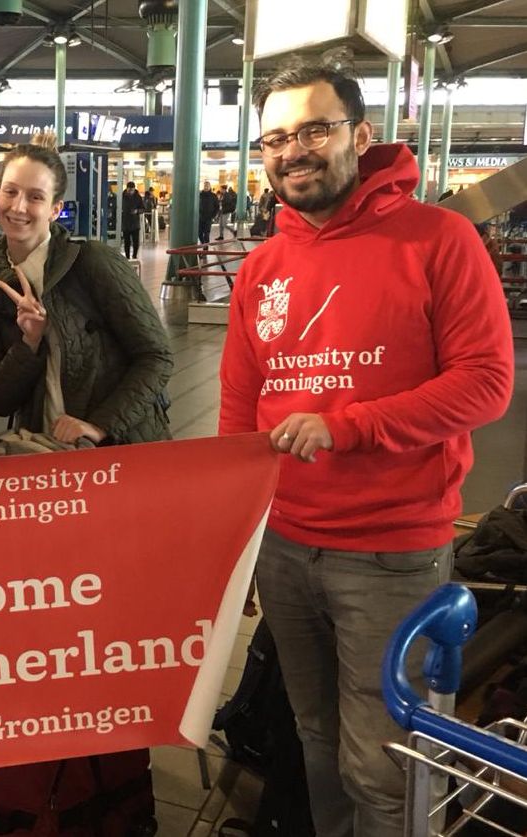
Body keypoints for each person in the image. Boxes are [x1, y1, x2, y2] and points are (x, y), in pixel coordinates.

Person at [218, 61, 514, 837]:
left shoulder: (438, 239)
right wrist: (235, 541)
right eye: (276, 137)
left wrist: (349, 425)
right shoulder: (261, 268)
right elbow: (238, 417)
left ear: (361, 135)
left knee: (381, 764)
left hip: (391, 552)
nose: (294, 150)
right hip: (285, 547)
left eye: (314, 129)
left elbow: (486, 383)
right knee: (316, 740)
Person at [0, 133, 173, 448]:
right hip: (46, 452)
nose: (18, 207)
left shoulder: (91, 261)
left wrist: (99, 426)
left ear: (54, 209)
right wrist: (29, 343)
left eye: (36, 197)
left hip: (121, 447)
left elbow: (156, 356)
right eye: (11, 192)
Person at [120, 181, 144, 259]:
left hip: (135, 223)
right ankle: (127, 257)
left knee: (135, 242)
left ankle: (134, 255)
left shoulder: (138, 197)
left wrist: (137, 211)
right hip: (125, 223)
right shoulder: (122, 197)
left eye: (132, 190)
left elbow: (143, 209)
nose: (130, 192)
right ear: (126, 189)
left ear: (134, 189)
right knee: (126, 242)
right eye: (129, 190)